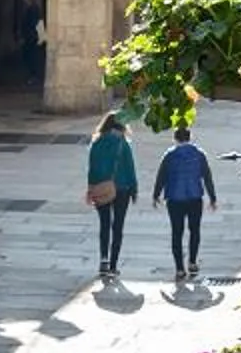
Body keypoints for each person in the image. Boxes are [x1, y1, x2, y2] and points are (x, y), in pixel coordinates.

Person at [151, 123, 219, 281]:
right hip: (195, 197)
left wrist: (156, 195)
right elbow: (207, 177)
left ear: (175, 138)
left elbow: (161, 176)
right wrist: (212, 197)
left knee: (177, 232)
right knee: (194, 230)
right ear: (190, 137)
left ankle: (180, 268)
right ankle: (193, 262)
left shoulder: (169, 155)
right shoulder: (199, 154)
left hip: (174, 198)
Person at [87, 115, 139, 279]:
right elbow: (130, 167)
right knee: (118, 226)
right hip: (122, 188)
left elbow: (92, 168)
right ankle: (113, 265)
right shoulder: (123, 143)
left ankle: (103, 259)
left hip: (101, 187)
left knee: (104, 224)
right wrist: (134, 189)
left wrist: (90, 188)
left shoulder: (96, 143)